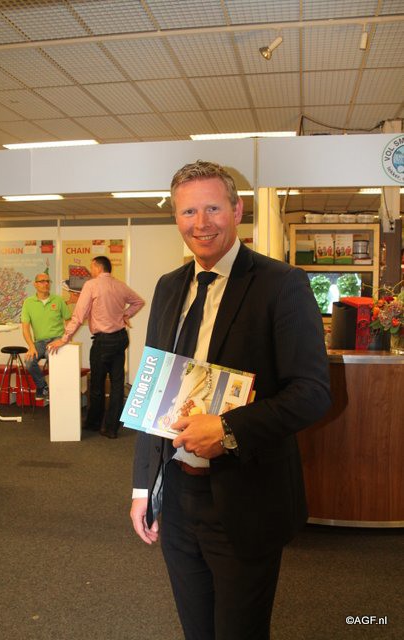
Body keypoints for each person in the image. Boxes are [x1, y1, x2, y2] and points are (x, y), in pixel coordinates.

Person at [130, 160, 331, 640]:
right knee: (196, 629)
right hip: (177, 496)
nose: (201, 223)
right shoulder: (168, 287)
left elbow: (312, 393)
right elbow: (153, 388)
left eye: (213, 209)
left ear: (237, 210)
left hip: (245, 498)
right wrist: (142, 488)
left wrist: (227, 429)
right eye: (188, 212)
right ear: (176, 217)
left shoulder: (281, 283)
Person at [48, 256, 144, 439]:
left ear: (98, 267)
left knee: (97, 384)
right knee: (117, 384)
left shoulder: (91, 285)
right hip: (120, 339)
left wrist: (65, 338)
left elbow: (79, 315)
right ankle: (112, 428)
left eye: (91, 267)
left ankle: (94, 423)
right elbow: (139, 302)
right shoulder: (120, 285)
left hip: (103, 343)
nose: (90, 270)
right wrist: (125, 315)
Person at [21, 273, 71, 401]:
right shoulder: (28, 302)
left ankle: (59, 390)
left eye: (48, 281)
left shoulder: (58, 300)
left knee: (52, 356)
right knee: (29, 361)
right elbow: (25, 328)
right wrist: (31, 346)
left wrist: (65, 338)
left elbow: (68, 320)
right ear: (35, 284)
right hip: (39, 342)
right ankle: (42, 386)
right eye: (42, 281)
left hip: (56, 339)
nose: (46, 284)